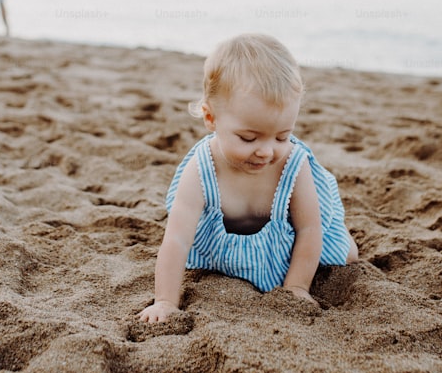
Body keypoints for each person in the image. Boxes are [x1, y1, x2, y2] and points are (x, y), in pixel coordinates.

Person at [138, 33, 359, 323]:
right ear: (210, 118)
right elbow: (177, 239)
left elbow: (309, 229)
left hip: (282, 250)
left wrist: (296, 287)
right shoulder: (201, 168)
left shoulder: (293, 162)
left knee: (347, 255)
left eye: (282, 136)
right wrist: (165, 301)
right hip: (222, 252)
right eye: (248, 137)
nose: (266, 152)